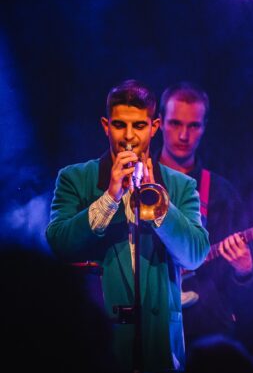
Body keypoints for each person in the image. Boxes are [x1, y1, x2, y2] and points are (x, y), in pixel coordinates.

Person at [46, 79, 210, 372]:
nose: (129, 137)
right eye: (120, 125)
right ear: (105, 126)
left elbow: (195, 254)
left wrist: (160, 208)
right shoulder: (75, 178)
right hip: (99, 340)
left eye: (139, 126)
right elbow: (60, 244)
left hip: (160, 343)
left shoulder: (181, 185)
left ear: (154, 126)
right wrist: (110, 197)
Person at [157, 82, 253, 344]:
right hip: (149, 327)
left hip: (206, 332)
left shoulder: (223, 194)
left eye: (193, 126)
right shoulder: (138, 185)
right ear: (159, 123)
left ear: (204, 127)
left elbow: (240, 294)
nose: (183, 135)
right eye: (175, 123)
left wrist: (243, 271)